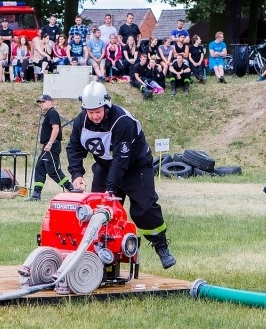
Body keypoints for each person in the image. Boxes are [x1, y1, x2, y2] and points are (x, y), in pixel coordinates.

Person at [66, 81, 176, 269]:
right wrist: (76, 174)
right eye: (90, 112)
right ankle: (100, 257)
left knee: (145, 208)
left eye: (98, 111)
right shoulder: (80, 122)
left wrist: (111, 190)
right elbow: (73, 148)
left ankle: (161, 245)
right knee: (98, 211)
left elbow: (121, 160)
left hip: (135, 166)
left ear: (106, 105)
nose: (94, 116)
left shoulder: (122, 121)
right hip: (105, 165)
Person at [28, 95, 79, 201]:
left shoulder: (52, 113)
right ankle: (36, 194)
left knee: (53, 171)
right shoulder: (48, 114)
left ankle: (71, 188)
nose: (41, 104)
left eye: (43, 101)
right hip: (46, 146)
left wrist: (50, 143)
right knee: (40, 168)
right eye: (40, 102)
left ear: (50, 102)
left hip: (51, 145)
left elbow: (55, 128)